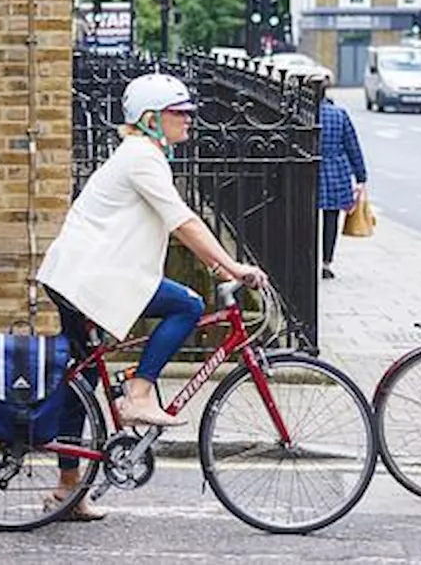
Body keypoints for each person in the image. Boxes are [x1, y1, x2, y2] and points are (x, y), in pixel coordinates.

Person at [37, 71, 268, 519]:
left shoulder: (142, 155)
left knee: (79, 381)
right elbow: (184, 222)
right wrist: (233, 266)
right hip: (88, 278)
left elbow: (174, 224)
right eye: (178, 113)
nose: (188, 120)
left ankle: (67, 489)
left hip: (87, 275)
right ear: (150, 119)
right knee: (187, 305)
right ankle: (138, 395)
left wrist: (219, 264)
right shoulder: (141, 157)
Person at [318, 83, 368, 280]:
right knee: (331, 218)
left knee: (307, 219)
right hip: (336, 170)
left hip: (309, 170)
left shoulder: (302, 114)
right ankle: (327, 262)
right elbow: (352, 146)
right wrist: (361, 176)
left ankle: (308, 258)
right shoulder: (339, 114)